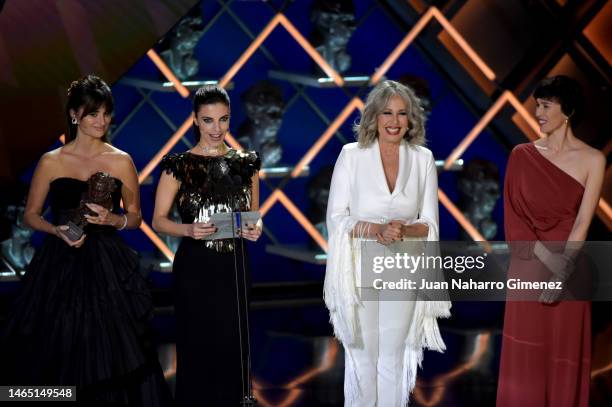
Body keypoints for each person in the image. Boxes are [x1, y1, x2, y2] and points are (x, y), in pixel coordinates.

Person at [1, 75, 172, 405]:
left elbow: (135, 217)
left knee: (113, 343)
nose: (101, 121)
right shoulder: (51, 161)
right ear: (75, 115)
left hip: (107, 263)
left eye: (106, 113)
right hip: (60, 259)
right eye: (93, 113)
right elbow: (31, 215)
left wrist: (113, 219)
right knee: (57, 341)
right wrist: (56, 230)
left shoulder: (121, 160)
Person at [324, 80, 451, 406]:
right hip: (358, 265)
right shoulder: (351, 156)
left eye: (402, 114)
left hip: (404, 266)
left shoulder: (423, 159)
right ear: (374, 117)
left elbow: (430, 223)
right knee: (364, 357)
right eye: (387, 113)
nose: (394, 121)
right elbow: (337, 218)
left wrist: (403, 231)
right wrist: (375, 229)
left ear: (411, 119)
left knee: (393, 357)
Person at [497, 75, 605, 406]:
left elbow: (584, 220)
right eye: (537, 106)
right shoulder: (521, 155)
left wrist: (562, 272)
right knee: (525, 360)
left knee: (564, 357)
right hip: (529, 266)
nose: (538, 113)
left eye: (546, 106)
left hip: (570, 271)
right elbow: (515, 221)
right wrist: (550, 262)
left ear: (567, 111)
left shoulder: (593, 160)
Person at [152, 84, 262, 406]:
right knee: (197, 345)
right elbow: (158, 220)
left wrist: (255, 228)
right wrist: (187, 229)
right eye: (209, 120)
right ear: (195, 121)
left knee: (234, 345)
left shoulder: (247, 163)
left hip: (235, 267)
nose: (217, 128)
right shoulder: (179, 164)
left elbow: (254, 215)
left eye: (223, 119)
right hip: (195, 269)